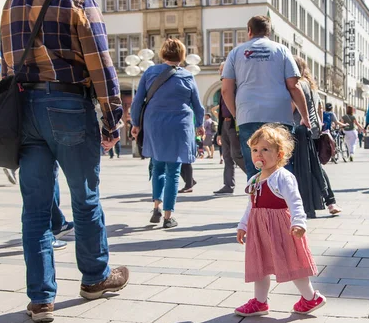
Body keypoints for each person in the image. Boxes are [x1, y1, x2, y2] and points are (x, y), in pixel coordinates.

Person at [0, 0, 130, 323]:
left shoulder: (12, 2)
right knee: (85, 199)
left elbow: (7, 63)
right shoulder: (76, 1)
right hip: (68, 103)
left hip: (24, 108)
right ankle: (95, 277)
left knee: (35, 209)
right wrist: (112, 116)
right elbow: (99, 60)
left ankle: (41, 298)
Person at [235, 125, 326, 316]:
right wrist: (243, 225)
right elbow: (251, 205)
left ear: (279, 154)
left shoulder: (282, 177)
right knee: (260, 265)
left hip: (280, 229)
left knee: (292, 264)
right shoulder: (254, 179)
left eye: (265, 149)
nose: (259, 154)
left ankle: (310, 298)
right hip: (259, 229)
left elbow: (295, 202)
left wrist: (299, 223)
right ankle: (260, 302)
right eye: (255, 150)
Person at [221, 15, 311, 180]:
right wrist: (305, 117)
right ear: (269, 32)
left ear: (249, 31)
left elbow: (226, 90)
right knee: (281, 164)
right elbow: (294, 85)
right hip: (279, 115)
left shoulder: (236, 52)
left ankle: (258, 204)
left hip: (248, 114)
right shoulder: (282, 50)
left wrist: (236, 114)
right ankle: (284, 203)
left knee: (254, 165)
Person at [131, 39, 204, 229]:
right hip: (179, 127)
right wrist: (201, 125)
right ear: (182, 55)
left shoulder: (150, 72)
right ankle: (168, 216)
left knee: (157, 167)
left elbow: (137, 102)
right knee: (173, 171)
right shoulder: (187, 76)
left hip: (155, 125)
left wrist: (135, 124)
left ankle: (156, 206)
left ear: (163, 53)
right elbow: (197, 105)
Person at [291, 56, 341, 217]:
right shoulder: (311, 86)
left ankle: (328, 201)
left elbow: (291, 108)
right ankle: (329, 201)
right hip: (312, 130)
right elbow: (319, 110)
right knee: (315, 166)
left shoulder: (298, 85)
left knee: (311, 167)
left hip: (300, 129)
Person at [212, 62, 246, 195]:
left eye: (222, 70)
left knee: (236, 154)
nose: (221, 73)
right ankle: (228, 185)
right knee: (226, 156)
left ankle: (256, 179)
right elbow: (221, 111)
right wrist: (219, 132)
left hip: (234, 123)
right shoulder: (224, 87)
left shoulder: (236, 86)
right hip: (225, 124)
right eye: (220, 70)